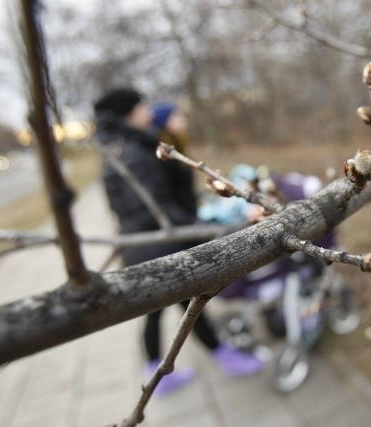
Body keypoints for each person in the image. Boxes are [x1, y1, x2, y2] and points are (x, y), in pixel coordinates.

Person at [93, 88, 263, 396]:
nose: (148, 111)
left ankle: (163, 372)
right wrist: (203, 228)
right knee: (188, 305)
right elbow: (157, 209)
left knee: (167, 310)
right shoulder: (133, 153)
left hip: (142, 245)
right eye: (142, 106)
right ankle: (215, 358)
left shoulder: (120, 149)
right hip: (158, 247)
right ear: (128, 113)